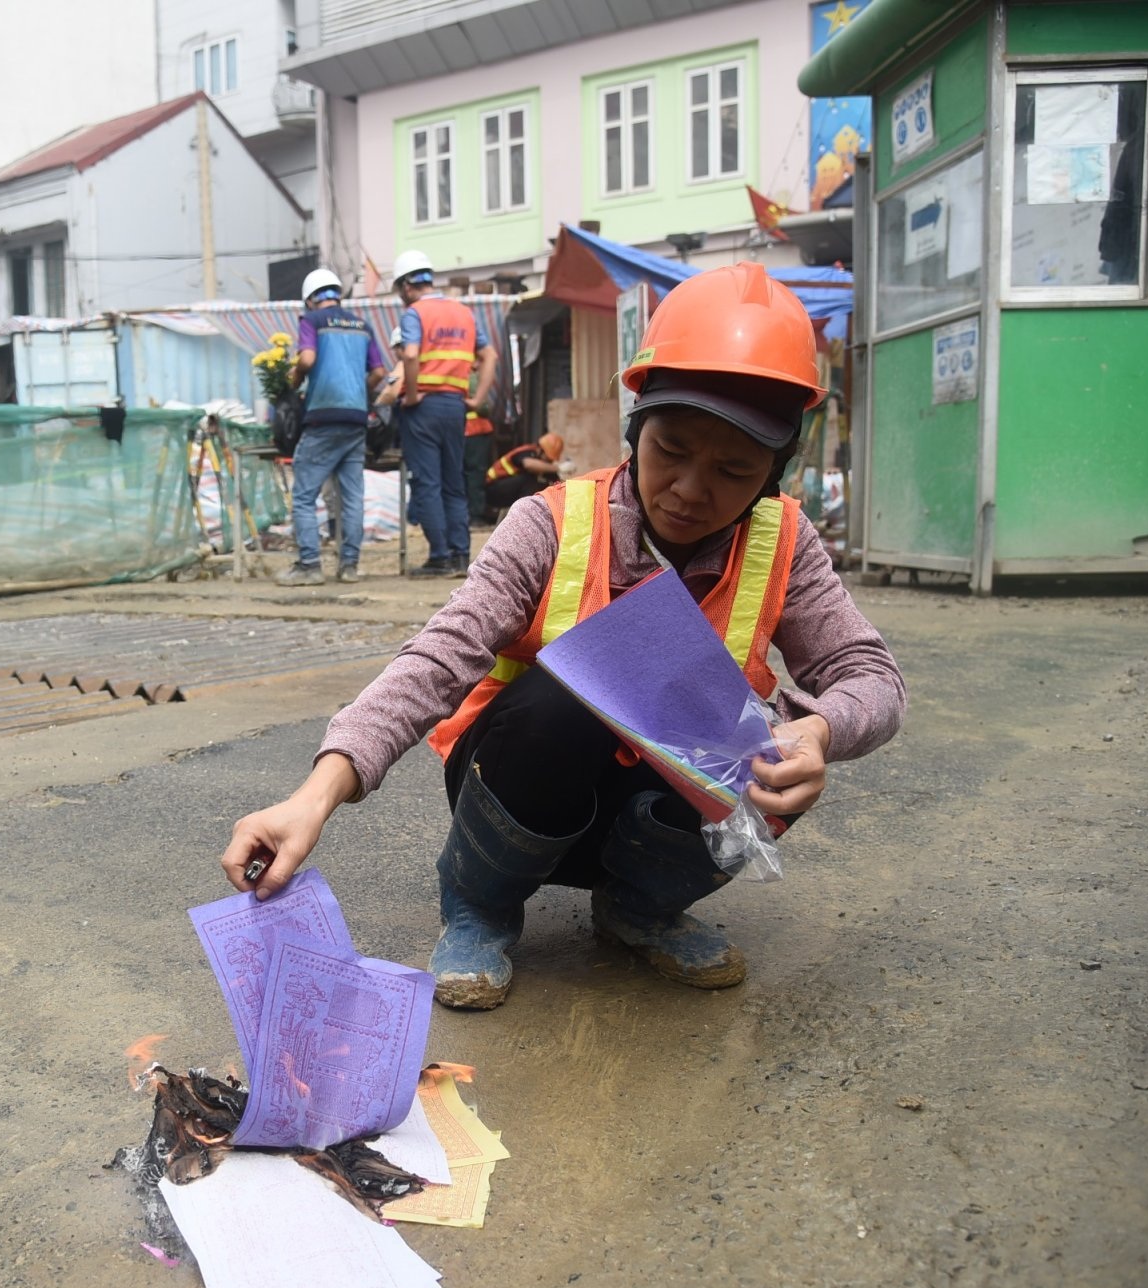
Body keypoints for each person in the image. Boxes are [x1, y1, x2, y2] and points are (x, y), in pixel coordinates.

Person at [220, 262, 906, 1011]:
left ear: (773, 472)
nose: (688, 488)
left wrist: (821, 729)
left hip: (658, 809)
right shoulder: (549, 522)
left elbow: (869, 674)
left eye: (733, 468)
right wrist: (315, 795)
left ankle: (638, 908)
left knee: (776, 750)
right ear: (636, 426)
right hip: (522, 786)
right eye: (670, 449)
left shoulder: (785, 540)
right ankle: (478, 903)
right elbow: (439, 655)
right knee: (569, 691)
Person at [390, 250, 498, 577]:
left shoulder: (415, 313)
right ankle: (461, 556)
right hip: (455, 406)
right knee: (454, 481)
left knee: (428, 483)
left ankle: (439, 556)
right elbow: (490, 355)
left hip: (423, 407)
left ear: (407, 286)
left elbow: (410, 355)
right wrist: (477, 399)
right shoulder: (463, 312)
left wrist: (409, 395)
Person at [277, 268, 387, 587]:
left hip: (323, 417)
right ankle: (349, 566)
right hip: (355, 420)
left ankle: (309, 564)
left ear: (310, 299)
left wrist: (295, 378)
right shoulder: (362, 326)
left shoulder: (311, 321)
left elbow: (308, 360)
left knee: (304, 494)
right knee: (351, 496)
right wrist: (357, 389)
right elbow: (379, 372)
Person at [484, 432, 564, 516]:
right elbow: (528, 465)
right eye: (548, 458)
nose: (550, 462)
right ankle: (525, 514)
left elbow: (556, 484)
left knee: (544, 486)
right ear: (540, 450)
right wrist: (559, 468)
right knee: (530, 480)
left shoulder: (542, 463)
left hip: (506, 489)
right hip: (492, 489)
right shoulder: (526, 452)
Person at [462, 407, 495, 529]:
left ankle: (470, 516)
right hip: (473, 429)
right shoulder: (473, 387)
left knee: (465, 473)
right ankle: (474, 516)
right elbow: (484, 407)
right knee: (475, 473)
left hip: (464, 428)